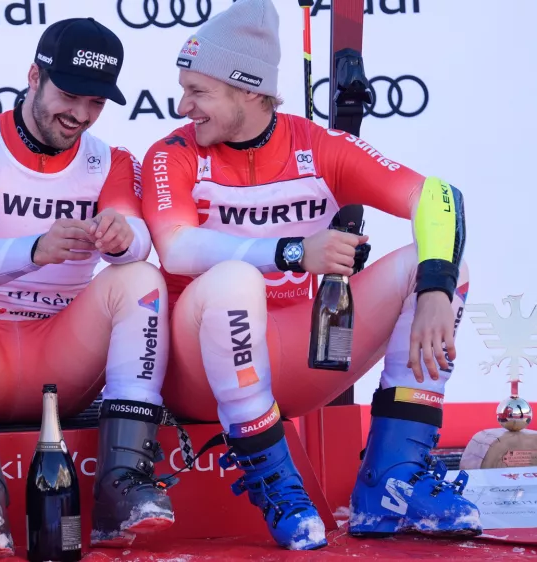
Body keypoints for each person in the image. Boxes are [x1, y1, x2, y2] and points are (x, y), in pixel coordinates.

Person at [140, 0, 479, 551]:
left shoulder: (317, 147)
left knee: (446, 264)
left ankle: (391, 481)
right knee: (234, 280)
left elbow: (437, 195)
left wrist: (436, 286)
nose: (184, 106)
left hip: (296, 355)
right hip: (199, 369)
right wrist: (296, 250)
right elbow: (177, 249)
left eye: (198, 91)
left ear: (248, 89)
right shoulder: (171, 154)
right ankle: (276, 481)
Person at [0, 17, 175, 556]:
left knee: (141, 278)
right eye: (71, 95)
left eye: (97, 103)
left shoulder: (110, 159)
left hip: (63, 358)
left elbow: (138, 243)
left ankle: (122, 485)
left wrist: (124, 237)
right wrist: (33, 249)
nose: (80, 115)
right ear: (34, 75)